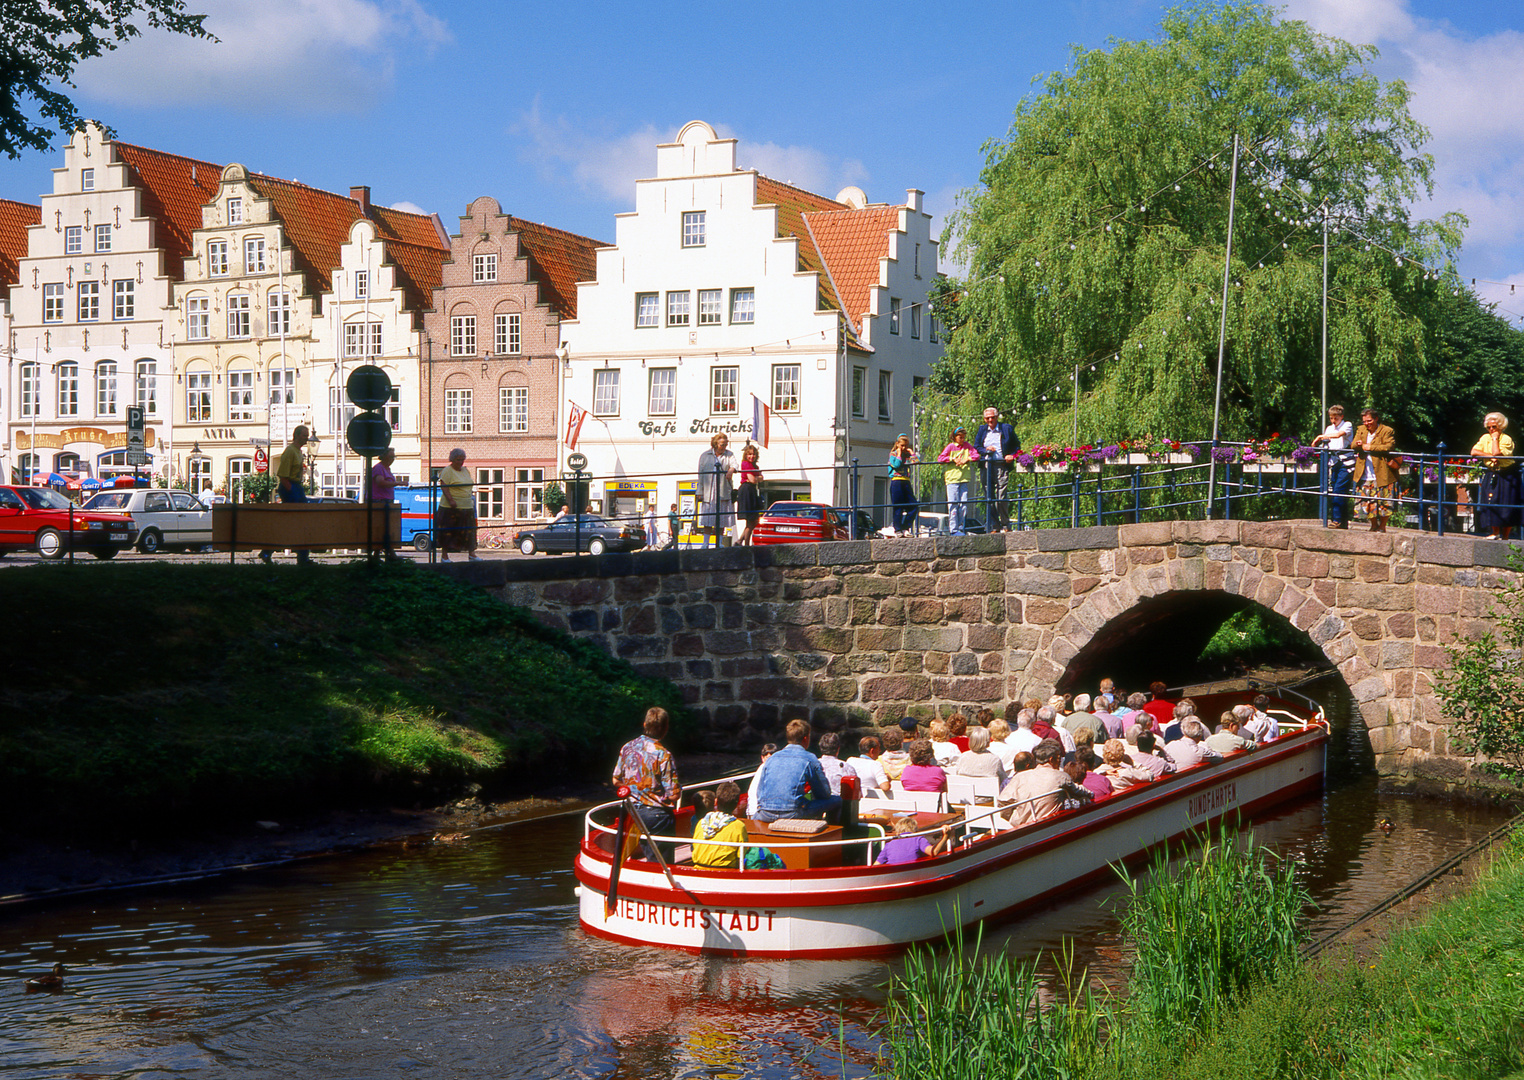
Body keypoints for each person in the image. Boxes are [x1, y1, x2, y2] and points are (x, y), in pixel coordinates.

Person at [612, 707, 682, 858]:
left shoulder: (627, 748)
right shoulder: (663, 754)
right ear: (665, 728)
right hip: (657, 816)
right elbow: (674, 796)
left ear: (644, 725)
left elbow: (615, 780)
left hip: (633, 813)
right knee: (661, 863)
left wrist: (634, 789)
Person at [749, 719, 840, 822]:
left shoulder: (772, 758)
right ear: (806, 738)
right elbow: (824, 793)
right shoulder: (810, 759)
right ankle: (832, 834)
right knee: (837, 800)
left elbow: (760, 793)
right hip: (792, 813)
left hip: (765, 813)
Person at [258, 424, 313, 565]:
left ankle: (270, 551)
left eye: (307, 435)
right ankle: (300, 557)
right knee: (297, 523)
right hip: (290, 486)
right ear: (297, 435)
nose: (307, 438)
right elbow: (283, 476)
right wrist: (292, 495)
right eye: (304, 435)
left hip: (296, 487)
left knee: (299, 523)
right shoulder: (290, 451)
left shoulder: (298, 452)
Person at [1473, 412, 1521, 541]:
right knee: (1490, 501)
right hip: (1492, 472)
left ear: (1500, 427)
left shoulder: (1506, 439)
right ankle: (1494, 532)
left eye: (1494, 427)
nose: (1491, 430)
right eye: (1489, 427)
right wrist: (1489, 456)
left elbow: (1497, 453)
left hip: (1507, 473)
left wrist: (1495, 439)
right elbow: (1474, 451)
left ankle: (1505, 536)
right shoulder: (1484, 438)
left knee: (1507, 504)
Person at [999, 739, 1068, 826]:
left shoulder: (1017, 778)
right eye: (1058, 759)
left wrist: (1015, 819)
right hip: (1039, 825)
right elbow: (1003, 801)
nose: (1059, 761)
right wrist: (1015, 819)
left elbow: (1003, 801)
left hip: (1026, 825)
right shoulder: (1060, 775)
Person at [972, 406, 1020, 532]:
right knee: (989, 497)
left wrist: (1012, 456)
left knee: (1001, 497)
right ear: (984, 419)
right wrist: (985, 450)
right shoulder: (982, 430)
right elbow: (976, 446)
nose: (990, 420)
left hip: (1001, 465)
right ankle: (995, 525)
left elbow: (1017, 446)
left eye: (992, 417)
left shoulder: (1006, 428)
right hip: (986, 466)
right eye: (987, 418)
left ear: (997, 417)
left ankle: (1005, 524)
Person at [1351, 408, 1398, 533]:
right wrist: (1359, 444)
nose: (1367, 423)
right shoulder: (1361, 430)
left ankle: (1382, 526)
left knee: (1385, 501)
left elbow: (1389, 446)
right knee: (1366, 502)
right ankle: (1373, 525)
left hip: (1382, 472)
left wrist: (1370, 447)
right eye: (1365, 421)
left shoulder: (1386, 430)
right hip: (1364, 472)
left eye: (1369, 420)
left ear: (1376, 419)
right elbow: (1353, 445)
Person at [1311, 404, 1356, 529]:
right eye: (1331, 418)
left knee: (1339, 490)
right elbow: (1327, 444)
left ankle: (1336, 520)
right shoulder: (1329, 428)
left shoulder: (1347, 425)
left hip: (1346, 462)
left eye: (1335, 418)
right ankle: (1343, 522)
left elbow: (1338, 435)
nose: (1333, 421)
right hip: (1334, 462)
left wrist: (1320, 437)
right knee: (1336, 491)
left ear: (1341, 417)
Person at [691, 781, 747, 869]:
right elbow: (742, 856)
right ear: (736, 804)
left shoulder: (701, 822)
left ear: (716, 801)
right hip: (724, 872)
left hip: (698, 869)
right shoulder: (739, 826)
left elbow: (694, 847)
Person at [436, 448, 480, 561]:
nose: (460, 462)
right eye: (458, 460)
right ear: (452, 460)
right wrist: (451, 500)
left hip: (467, 505)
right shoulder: (447, 471)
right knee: (448, 531)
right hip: (451, 507)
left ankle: (472, 554)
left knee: (469, 530)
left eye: (462, 460)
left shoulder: (465, 470)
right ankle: (444, 556)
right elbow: (444, 486)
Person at [696, 433, 737, 548]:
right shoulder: (705, 456)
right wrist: (700, 491)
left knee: (721, 518)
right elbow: (701, 474)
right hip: (709, 490)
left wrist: (731, 470)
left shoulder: (729, 455)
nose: (724, 447)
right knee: (708, 518)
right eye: (722, 445)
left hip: (722, 489)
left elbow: (735, 464)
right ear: (715, 444)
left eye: (726, 444)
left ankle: (719, 542)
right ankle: (705, 543)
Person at [936, 427, 976, 535]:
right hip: (952, 479)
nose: (962, 440)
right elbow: (940, 458)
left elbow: (976, 455)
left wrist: (967, 459)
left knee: (963, 504)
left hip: (963, 478)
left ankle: (960, 526)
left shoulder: (967, 446)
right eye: (960, 437)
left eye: (963, 437)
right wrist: (952, 459)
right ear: (954, 437)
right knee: (953, 504)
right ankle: (953, 529)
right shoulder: (950, 447)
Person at [366, 447, 400, 561]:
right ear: (384, 456)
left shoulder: (387, 468)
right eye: (391, 457)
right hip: (379, 502)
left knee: (385, 528)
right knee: (382, 528)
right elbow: (380, 482)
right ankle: (390, 553)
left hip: (386, 502)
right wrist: (397, 483)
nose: (393, 459)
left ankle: (377, 555)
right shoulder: (379, 468)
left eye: (394, 457)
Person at [875, 817, 954, 865]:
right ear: (915, 829)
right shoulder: (918, 839)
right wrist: (946, 836)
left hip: (892, 876)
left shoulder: (889, 844)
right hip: (912, 873)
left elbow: (876, 865)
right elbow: (934, 852)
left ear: (897, 831)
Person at [887, 434, 919, 536]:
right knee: (898, 507)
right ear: (897, 444)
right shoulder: (893, 454)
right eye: (902, 445)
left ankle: (905, 527)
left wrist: (911, 453)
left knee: (913, 506)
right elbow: (896, 464)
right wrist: (899, 454)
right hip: (896, 482)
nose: (904, 448)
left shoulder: (907, 454)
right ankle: (898, 529)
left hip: (906, 481)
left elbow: (917, 462)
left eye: (906, 445)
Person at [735, 442, 764, 546]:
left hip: (752, 490)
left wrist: (756, 478)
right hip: (746, 490)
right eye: (749, 454)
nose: (752, 456)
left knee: (755, 520)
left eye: (753, 454)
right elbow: (752, 479)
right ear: (746, 455)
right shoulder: (745, 464)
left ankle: (740, 540)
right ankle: (746, 544)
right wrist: (756, 478)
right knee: (750, 520)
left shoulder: (755, 465)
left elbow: (760, 478)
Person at [815, 731, 858, 796]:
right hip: (840, 804)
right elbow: (856, 794)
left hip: (816, 803)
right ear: (838, 749)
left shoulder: (813, 764)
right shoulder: (847, 768)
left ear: (821, 747)